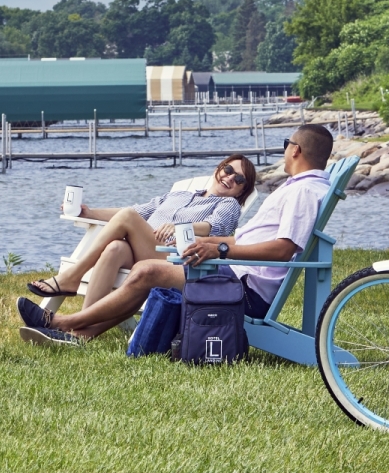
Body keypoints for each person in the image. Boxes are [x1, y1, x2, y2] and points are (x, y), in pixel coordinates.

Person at [18, 124, 335, 345]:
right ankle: (82, 333)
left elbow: (282, 250)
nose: (284, 153)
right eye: (227, 170)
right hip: (230, 272)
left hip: (243, 288)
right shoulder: (298, 189)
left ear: (295, 150)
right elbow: (245, 241)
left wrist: (218, 250)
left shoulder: (302, 192)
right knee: (129, 257)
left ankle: (61, 323)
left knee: (147, 270)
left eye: (286, 146)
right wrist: (211, 245)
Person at [24, 155, 258, 306]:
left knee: (127, 216)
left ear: (241, 192)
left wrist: (180, 227)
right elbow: (138, 210)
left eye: (239, 180)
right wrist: (88, 212)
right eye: (228, 169)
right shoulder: (179, 195)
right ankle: (81, 325)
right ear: (219, 168)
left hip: (172, 259)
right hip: (144, 250)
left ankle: (70, 278)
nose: (230, 178)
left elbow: (214, 228)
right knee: (115, 247)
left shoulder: (228, 205)